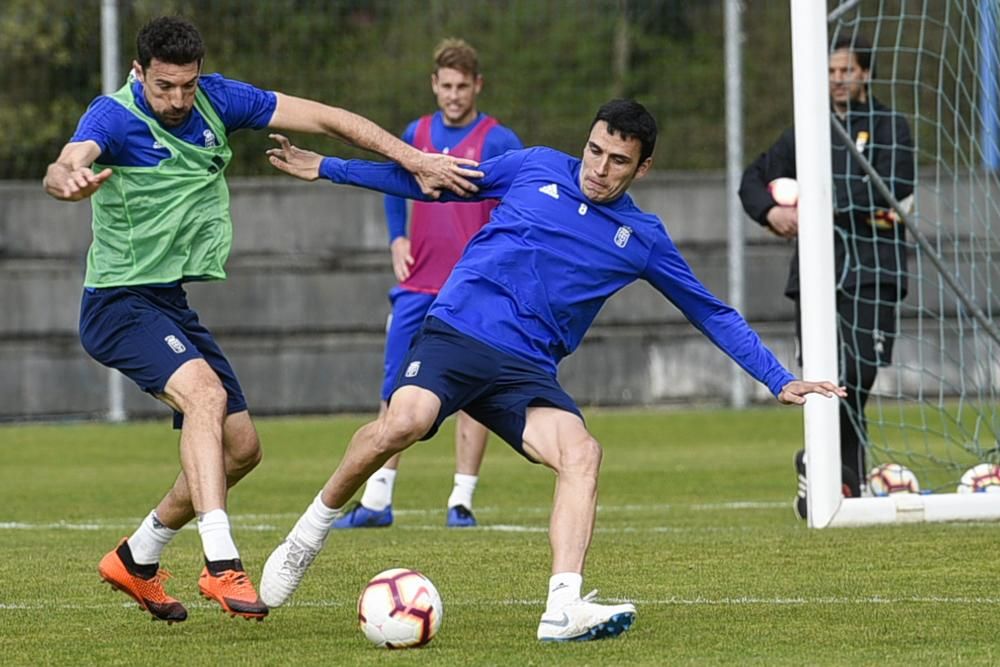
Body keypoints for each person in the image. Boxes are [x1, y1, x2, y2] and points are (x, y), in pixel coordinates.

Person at [259, 98, 846, 640]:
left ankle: (562, 607)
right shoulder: (535, 166)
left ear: (642, 168)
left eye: (619, 160)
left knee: (582, 453)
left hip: (525, 371)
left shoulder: (641, 238)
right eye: (595, 151)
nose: (600, 167)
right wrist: (328, 168)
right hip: (459, 331)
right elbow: (432, 183)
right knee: (403, 422)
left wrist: (778, 377)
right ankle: (307, 534)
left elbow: (710, 311)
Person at [42, 16, 478, 624]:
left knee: (242, 451)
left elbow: (328, 118)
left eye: (187, 86)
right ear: (138, 72)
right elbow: (69, 158)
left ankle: (137, 558)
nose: (176, 100)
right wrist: (66, 178)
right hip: (117, 302)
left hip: (167, 301)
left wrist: (415, 159)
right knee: (204, 396)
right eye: (164, 86)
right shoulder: (113, 116)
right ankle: (221, 563)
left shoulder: (219, 100)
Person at [334, 38, 522, 531]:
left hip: (474, 288)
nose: (455, 94)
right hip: (418, 283)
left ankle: (461, 499)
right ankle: (377, 500)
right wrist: (397, 237)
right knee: (396, 383)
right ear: (433, 85)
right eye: (447, 85)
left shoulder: (500, 140)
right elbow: (394, 186)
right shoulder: (415, 132)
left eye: (464, 86)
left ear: (477, 86)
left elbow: (520, 202)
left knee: (474, 390)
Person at [738, 34, 915, 519]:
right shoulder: (807, 132)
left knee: (857, 375)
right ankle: (839, 481)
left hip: (874, 269)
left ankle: (833, 472)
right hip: (815, 276)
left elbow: (892, 189)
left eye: (847, 70)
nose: (838, 79)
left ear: (866, 73)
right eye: (831, 71)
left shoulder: (891, 127)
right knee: (823, 380)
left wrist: (816, 202)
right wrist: (772, 212)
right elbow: (751, 180)